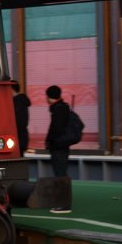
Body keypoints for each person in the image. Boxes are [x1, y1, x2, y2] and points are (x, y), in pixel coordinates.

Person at [44, 84, 72, 213]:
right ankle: (63, 203)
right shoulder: (63, 108)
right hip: (63, 146)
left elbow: (56, 129)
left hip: (58, 146)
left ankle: (64, 204)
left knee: (60, 174)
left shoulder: (58, 109)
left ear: (49, 97)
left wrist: (49, 141)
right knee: (61, 173)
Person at [11, 81, 31, 156]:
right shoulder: (22, 101)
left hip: (17, 137)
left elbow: (19, 122)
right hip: (22, 137)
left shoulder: (17, 102)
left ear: (11, 89)